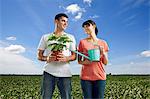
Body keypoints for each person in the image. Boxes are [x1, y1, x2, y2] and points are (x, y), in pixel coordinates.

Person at [37, 13, 76, 99]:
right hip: (48, 73)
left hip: (65, 73)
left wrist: (66, 58)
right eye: (63, 21)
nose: (66, 23)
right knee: (45, 97)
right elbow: (39, 56)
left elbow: (74, 56)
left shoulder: (70, 37)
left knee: (66, 97)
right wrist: (47, 58)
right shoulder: (46, 37)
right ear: (56, 21)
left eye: (67, 22)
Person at [78, 20, 109, 99]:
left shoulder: (103, 43)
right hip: (86, 78)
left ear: (94, 26)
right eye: (84, 27)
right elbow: (79, 61)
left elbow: (105, 62)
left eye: (87, 26)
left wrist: (103, 53)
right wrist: (87, 62)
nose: (85, 28)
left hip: (100, 77)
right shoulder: (82, 42)